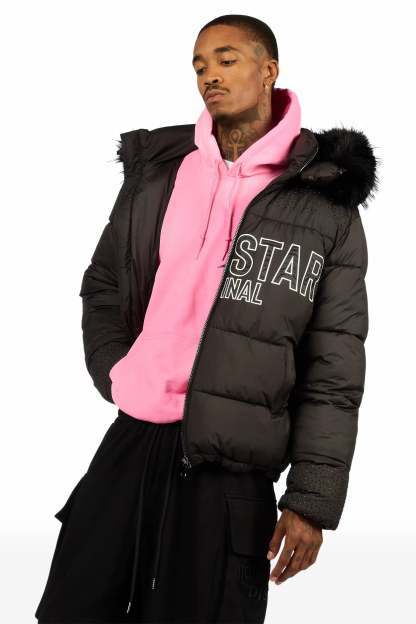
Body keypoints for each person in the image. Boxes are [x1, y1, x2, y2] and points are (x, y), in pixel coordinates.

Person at [34, 13, 379, 624]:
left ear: (269, 70)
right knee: (72, 608)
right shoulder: (161, 172)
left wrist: (312, 500)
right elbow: (104, 285)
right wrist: (121, 372)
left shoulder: (324, 203)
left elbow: (335, 362)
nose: (208, 76)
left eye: (226, 59)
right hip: (132, 440)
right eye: (198, 65)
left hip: (231, 466)